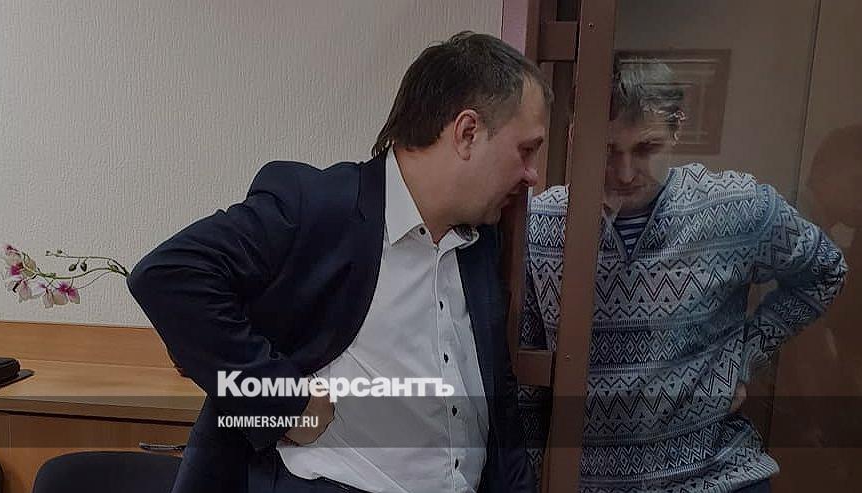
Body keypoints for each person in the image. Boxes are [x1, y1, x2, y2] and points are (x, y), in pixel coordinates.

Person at [127, 32, 552, 493]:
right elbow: (169, 276)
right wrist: (283, 402)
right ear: (467, 133)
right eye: (526, 150)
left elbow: (498, 405)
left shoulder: (483, 241)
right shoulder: (318, 208)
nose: (532, 175)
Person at [519, 59, 847, 492]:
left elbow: (825, 269)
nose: (624, 172)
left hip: (719, 476)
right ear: (577, 136)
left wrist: (745, 355)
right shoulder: (541, 224)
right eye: (608, 149)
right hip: (595, 480)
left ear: (676, 132)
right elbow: (528, 378)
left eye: (646, 148)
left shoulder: (734, 207)